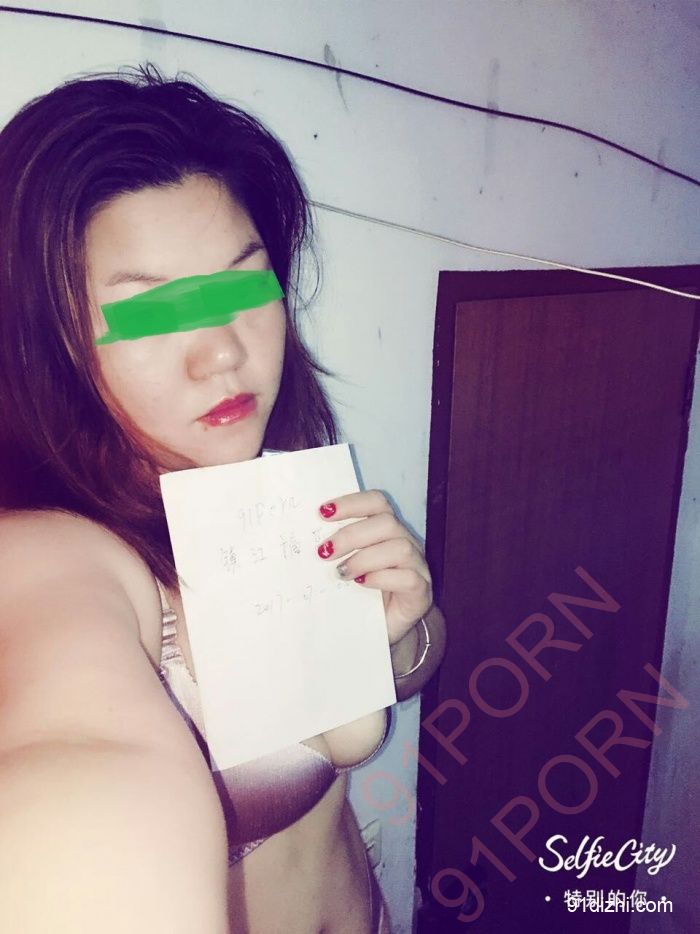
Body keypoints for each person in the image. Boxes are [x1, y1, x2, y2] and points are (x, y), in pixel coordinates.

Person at [0, 64, 446, 933]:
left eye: (243, 286)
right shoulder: (50, 556)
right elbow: (77, 773)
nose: (223, 354)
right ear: (38, 344)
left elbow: (393, 677)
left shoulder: (269, 483)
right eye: (151, 314)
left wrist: (402, 628)